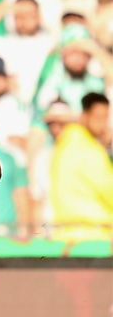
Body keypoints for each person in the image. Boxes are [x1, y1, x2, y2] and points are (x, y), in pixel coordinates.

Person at [49, 91, 113, 243]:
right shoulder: (89, 149)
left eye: (105, 118)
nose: (103, 124)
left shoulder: (65, 142)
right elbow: (109, 190)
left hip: (65, 234)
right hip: (93, 236)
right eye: (98, 118)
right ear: (84, 115)